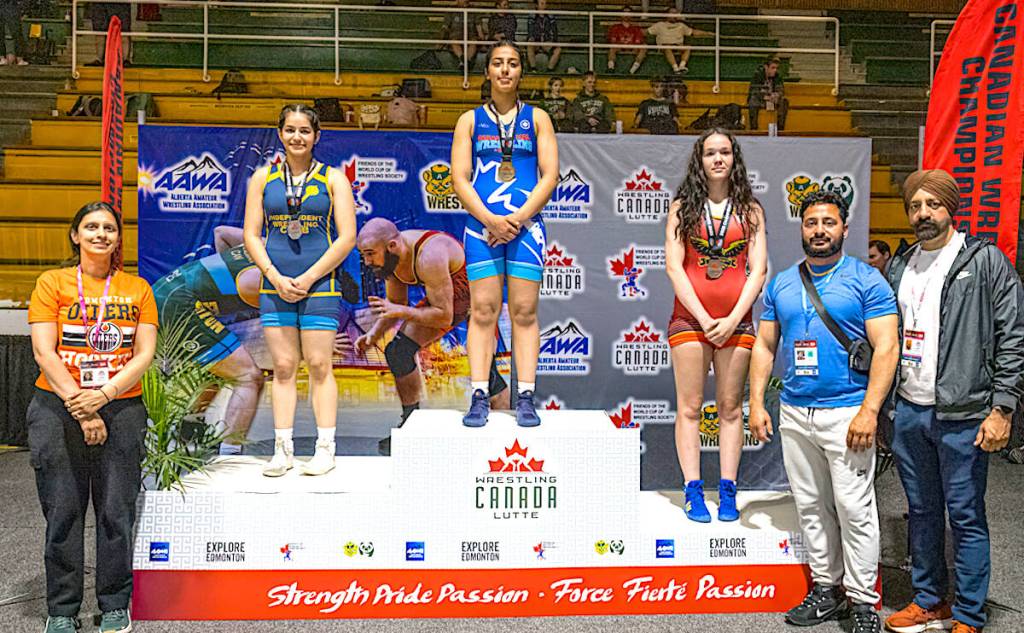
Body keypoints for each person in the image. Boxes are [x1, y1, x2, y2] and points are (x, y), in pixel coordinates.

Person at [748, 190, 899, 633]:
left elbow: (887, 346)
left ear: (844, 229)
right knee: (811, 507)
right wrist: (757, 401)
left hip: (849, 413)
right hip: (796, 412)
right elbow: (764, 344)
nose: (819, 230)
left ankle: (863, 601)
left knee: (854, 508)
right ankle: (826, 590)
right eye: (811, 222)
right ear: (802, 228)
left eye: (828, 223)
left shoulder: (867, 280)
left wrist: (870, 410)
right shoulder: (782, 283)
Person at [883, 170, 1024, 633]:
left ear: (950, 208)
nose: (923, 213)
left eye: (932, 204)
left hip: (965, 413)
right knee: (921, 511)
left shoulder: (984, 262)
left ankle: (968, 612)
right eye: (915, 205)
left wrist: (1003, 407)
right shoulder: (901, 265)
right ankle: (929, 600)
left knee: (965, 513)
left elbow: (1013, 337)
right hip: (909, 409)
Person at [27, 201, 158, 633]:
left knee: (115, 512)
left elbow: (144, 355)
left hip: (120, 407)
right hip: (57, 408)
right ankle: (62, 611)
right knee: (63, 512)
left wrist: (102, 395)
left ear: (118, 239)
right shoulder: (52, 283)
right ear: (75, 235)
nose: (101, 234)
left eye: (108, 228)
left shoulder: (137, 289)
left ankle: (115, 604)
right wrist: (81, 405)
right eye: (91, 227)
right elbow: (45, 352)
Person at [243, 104, 357, 477]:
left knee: (321, 365)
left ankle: (325, 448)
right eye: (290, 130)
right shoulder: (262, 178)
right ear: (280, 133)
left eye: (304, 131)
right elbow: (250, 234)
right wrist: (273, 275)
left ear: (316, 136)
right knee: (284, 366)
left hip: (320, 283)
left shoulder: (333, 179)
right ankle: (283, 449)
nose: (297, 137)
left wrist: (309, 278)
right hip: (274, 284)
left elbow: (347, 237)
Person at [451, 42, 558, 427]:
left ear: (520, 73)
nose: (505, 70)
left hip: (526, 228)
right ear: (488, 72)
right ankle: (479, 393)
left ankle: (525, 395)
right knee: (482, 312)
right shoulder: (469, 121)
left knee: (525, 313)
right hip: (482, 229)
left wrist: (516, 219)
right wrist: (491, 221)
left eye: (513, 64)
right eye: (498, 63)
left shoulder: (538, 118)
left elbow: (550, 176)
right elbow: (459, 179)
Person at [664, 128, 767, 524]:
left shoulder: (751, 211)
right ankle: (692, 490)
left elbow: (758, 271)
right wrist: (706, 320)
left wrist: (735, 317)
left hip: (737, 322)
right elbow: (674, 267)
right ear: (700, 160)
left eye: (725, 152)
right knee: (689, 407)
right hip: (690, 319)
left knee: (729, 408)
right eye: (710, 153)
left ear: (734, 159)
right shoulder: (681, 208)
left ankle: (727, 490)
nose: (718, 159)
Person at [355, 218, 511, 453]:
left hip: (476, 294)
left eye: (370, 254)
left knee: (485, 369)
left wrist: (401, 311)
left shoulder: (429, 256)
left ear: (392, 246)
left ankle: (503, 438)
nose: (367, 262)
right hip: (448, 299)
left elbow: (443, 317)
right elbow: (396, 304)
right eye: (364, 255)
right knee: (398, 352)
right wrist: (374, 335)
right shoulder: (391, 259)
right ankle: (410, 425)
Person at [152, 225, 265, 456]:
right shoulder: (266, 279)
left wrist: (222, 268)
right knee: (249, 376)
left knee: (218, 369)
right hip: (180, 305)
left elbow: (221, 232)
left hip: (168, 291)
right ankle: (230, 453)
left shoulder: (262, 243)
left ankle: (188, 432)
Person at [647, 7, 711, 74]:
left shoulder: (681, 25)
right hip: (665, 46)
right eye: (672, 13)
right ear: (666, 15)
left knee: (688, 47)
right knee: (667, 47)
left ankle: (682, 66)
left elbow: (693, 32)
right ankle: (675, 68)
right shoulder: (659, 25)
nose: (675, 15)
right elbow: (647, 32)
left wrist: (708, 33)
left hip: (678, 45)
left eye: (676, 13)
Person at [747, 56, 789, 131]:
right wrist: (765, 97)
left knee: (784, 101)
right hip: (761, 99)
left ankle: (780, 129)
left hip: (773, 99)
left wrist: (776, 95)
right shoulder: (757, 76)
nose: (775, 70)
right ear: (766, 67)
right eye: (773, 68)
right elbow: (754, 91)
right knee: (753, 101)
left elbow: (781, 90)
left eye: (776, 68)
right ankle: (754, 129)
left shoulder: (778, 76)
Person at [443, 0, 485, 71]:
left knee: (473, 42)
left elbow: (478, 26)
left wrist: (481, 36)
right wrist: (442, 39)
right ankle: (464, 60)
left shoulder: (474, 10)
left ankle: (464, 62)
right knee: (454, 41)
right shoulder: (451, 10)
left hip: (471, 36)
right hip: (455, 36)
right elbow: (445, 27)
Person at [87, 2, 132, 66]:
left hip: (122, 3)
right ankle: (99, 59)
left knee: (124, 30)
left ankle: (125, 59)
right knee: (100, 31)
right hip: (100, 4)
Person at [606, 6, 647, 75]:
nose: (626, 15)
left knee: (644, 47)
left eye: (628, 13)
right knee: (612, 47)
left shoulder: (636, 28)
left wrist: (632, 47)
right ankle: (611, 67)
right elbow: (613, 41)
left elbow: (638, 41)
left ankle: (632, 71)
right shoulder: (615, 27)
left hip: (633, 48)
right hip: (619, 47)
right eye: (624, 12)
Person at [526, 0, 561, 71]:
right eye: (542, 3)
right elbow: (530, 31)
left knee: (558, 50)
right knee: (529, 46)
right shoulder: (532, 16)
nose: (544, 5)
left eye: (545, 3)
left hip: (547, 42)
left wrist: (552, 41)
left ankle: (550, 69)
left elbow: (554, 31)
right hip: (536, 42)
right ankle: (533, 69)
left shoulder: (550, 16)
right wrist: (533, 39)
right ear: (537, 5)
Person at [0, 0, 28, 66]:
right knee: (17, 35)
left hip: (3, 9)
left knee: (0, 35)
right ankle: (19, 59)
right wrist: (25, 11)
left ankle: (2, 58)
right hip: (13, 11)